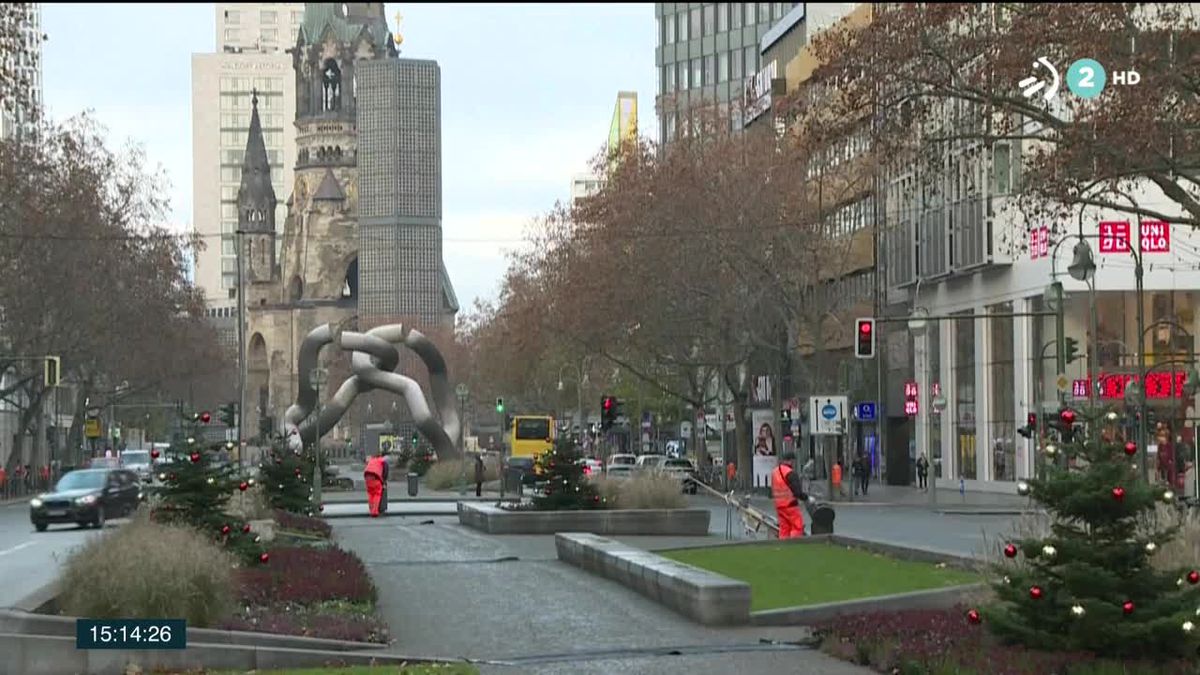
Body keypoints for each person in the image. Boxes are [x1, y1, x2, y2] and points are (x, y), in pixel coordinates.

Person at [772, 451, 812, 539]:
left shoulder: (775, 472)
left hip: (779, 506)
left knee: (784, 529)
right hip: (790, 505)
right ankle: (794, 545)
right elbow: (797, 492)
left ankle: (784, 548)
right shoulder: (790, 473)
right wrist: (806, 497)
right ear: (791, 461)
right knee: (797, 526)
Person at [364, 447, 390, 517]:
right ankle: (374, 512)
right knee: (377, 494)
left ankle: (371, 509)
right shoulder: (383, 461)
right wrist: (384, 481)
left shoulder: (372, 460)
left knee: (370, 494)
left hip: (367, 477)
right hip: (375, 478)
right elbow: (385, 472)